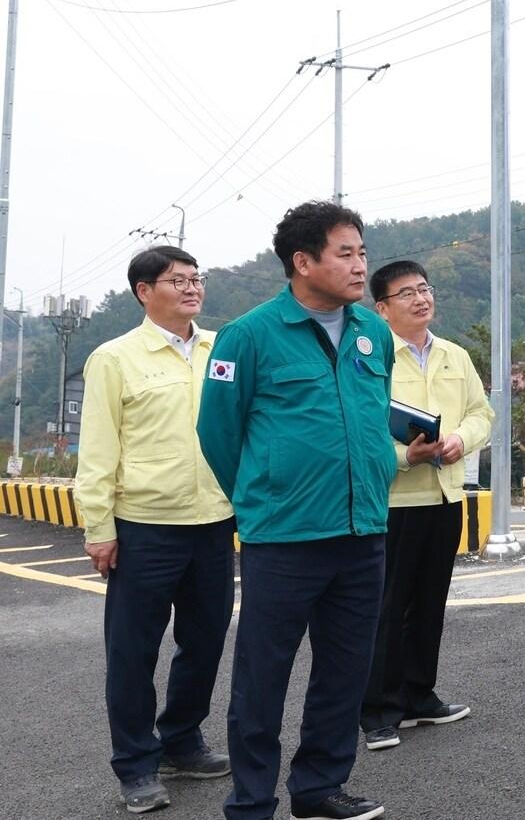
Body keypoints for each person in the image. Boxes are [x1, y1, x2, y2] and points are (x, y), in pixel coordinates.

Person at [198, 202, 397, 820]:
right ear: (302, 261)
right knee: (263, 677)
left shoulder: (373, 332)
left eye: (362, 251)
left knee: (343, 673)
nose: (360, 263)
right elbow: (218, 433)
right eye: (346, 252)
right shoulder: (249, 336)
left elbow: (374, 417)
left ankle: (318, 788)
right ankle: (252, 800)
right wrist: (267, 494)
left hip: (363, 531)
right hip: (283, 539)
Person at [75, 246, 235, 814]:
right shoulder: (115, 359)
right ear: (145, 291)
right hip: (144, 526)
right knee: (133, 651)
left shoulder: (223, 350)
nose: (192, 288)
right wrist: (99, 527)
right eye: (178, 280)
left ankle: (183, 741)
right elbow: (97, 450)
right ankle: (137, 765)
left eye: (197, 279)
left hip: (215, 522)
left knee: (207, 639)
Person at [359, 260, 493, 751]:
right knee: (385, 607)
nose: (420, 299)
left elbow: (483, 413)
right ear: (382, 308)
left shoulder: (454, 356)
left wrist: (462, 438)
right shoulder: (370, 358)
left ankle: (419, 695)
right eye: (406, 293)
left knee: (430, 601)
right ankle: (377, 710)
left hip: (445, 495)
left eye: (424, 289)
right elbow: (359, 428)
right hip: (394, 499)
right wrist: (402, 456)